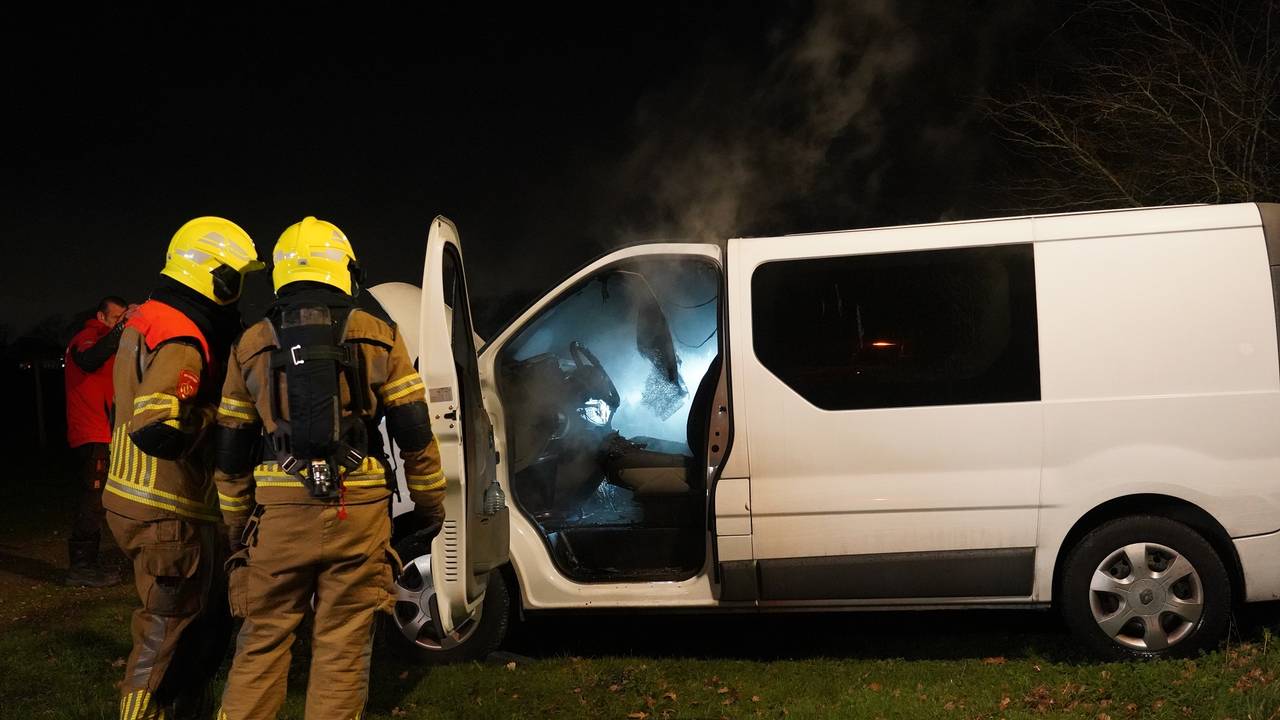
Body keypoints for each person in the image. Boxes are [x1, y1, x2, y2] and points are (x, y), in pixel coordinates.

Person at [214, 216, 446, 719]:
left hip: (277, 520)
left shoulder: (250, 344)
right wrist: (430, 508)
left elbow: (230, 456)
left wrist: (236, 530)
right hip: (356, 514)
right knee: (342, 646)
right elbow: (415, 435)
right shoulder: (380, 335)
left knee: (261, 642)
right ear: (345, 270)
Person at [104, 216, 264, 719]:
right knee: (165, 632)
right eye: (234, 279)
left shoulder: (148, 317)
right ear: (213, 276)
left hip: (140, 500)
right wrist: (224, 417)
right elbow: (156, 427)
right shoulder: (184, 338)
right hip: (165, 509)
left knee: (200, 626)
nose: (237, 294)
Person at [63, 295, 136, 586]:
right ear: (101, 316)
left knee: (100, 499)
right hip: (91, 431)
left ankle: (89, 563)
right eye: (116, 318)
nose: (120, 323)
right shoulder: (87, 337)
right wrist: (122, 329)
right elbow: (89, 359)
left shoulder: (109, 342)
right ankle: (81, 567)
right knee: (92, 499)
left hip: (103, 431)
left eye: (122, 318)